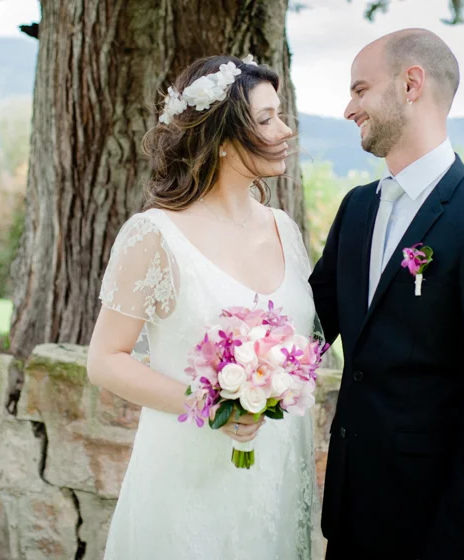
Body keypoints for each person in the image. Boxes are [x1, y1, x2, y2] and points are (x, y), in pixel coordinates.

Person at [310, 28, 464, 559]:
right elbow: (311, 326)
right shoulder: (356, 209)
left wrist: (459, 538)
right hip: (347, 512)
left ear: (411, 84)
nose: (348, 108)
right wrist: (241, 372)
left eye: (360, 90)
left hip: (429, 527)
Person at [86, 54, 319, 559]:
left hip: (278, 475)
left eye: (280, 115)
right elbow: (105, 360)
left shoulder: (285, 229)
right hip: (186, 482)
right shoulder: (154, 235)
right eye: (266, 119)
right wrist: (210, 402)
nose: (284, 131)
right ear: (225, 141)